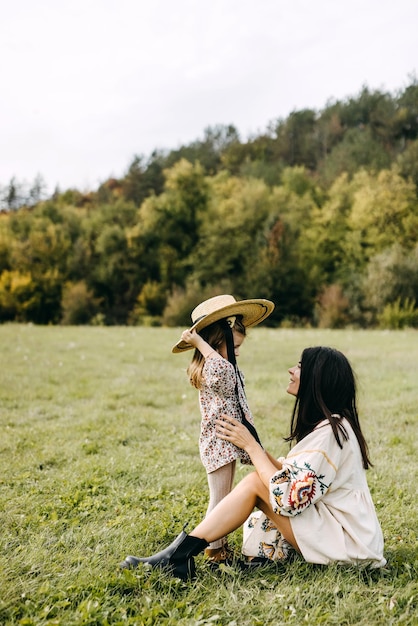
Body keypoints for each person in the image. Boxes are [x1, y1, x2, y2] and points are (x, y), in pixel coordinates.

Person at [120, 346, 386, 580]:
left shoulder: (332, 432)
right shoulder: (334, 425)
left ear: (318, 379)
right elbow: (291, 475)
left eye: (300, 367)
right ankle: (179, 555)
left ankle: (177, 557)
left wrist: (251, 447)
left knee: (255, 485)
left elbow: (290, 498)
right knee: (258, 482)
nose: (291, 370)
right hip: (344, 536)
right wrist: (253, 448)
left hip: (348, 546)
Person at [171, 294, 274, 565]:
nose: (238, 352)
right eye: (234, 346)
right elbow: (227, 379)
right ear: (217, 342)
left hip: (225, 441)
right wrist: (202, 345)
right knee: (219, 498)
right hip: (217, 442)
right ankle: (214, 551)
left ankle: (218, 546)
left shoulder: (220, 364)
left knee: (225, 496)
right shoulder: (211, 368)